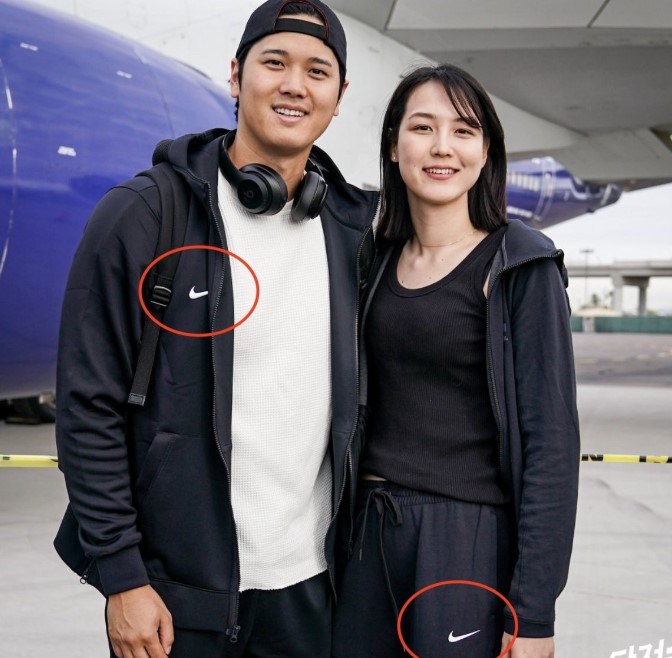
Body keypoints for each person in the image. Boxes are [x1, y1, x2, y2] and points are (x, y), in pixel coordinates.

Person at [53, 1, 378, 656]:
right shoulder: (145, 214)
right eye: (274, 62)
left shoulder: (355, 233)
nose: (294, 84)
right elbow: (88, 406)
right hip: (173, 598)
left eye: (317, 71)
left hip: (312, 593)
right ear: (235, 75)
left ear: (339, 97)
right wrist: (122, 576)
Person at [332, 64, 580, 658]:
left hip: (463, 540)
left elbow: (551, 444)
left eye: (464, 131)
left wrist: (533, 614)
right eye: (423, 127)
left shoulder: (519, 265)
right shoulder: (371, 263)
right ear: (394, 146)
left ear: (485, 151)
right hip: (367, 534)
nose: (443, 146)